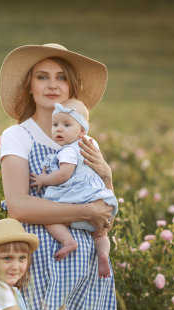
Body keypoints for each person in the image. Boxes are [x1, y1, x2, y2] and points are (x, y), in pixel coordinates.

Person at [0, 43, 125, 310]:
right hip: (41, 258)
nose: (52, 84)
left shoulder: (85, 141)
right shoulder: (18, 135)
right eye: (42, 77)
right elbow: (19, 206)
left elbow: (104, 211)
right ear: (30, 85)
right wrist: (85, 210)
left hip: (85, 265)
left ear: (70, 88)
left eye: (61, 78)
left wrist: (108, 176)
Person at [29, 98, 117, 279]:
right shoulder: (92, 145)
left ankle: (68, 241)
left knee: (50, 217)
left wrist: (43, 179)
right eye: (55, 125)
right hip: (99, 199)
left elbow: (63, 175)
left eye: (66, 125)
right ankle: (103, 254)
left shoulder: (68, 151)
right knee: (101, 236)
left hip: (77, 198)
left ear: (82, 131)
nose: (59, 129)